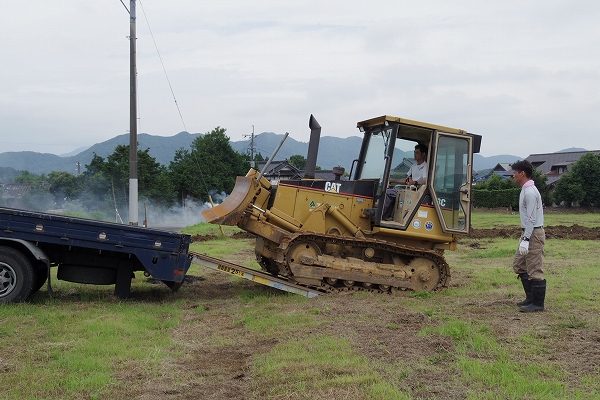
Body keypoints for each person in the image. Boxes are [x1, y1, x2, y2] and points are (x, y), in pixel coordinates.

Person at [511, 160, 546, 312]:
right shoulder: (525, 190)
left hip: (533, 233)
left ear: (522, 173)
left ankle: (538, 304)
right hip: (527, 232)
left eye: (515, 172)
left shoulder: (530, 192)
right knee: (519, 265)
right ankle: (530, 298)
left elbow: (531, 218)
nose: (513, 175)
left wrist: (526, 238)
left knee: (534, 269)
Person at [382, 144, 428, 220]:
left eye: (417, 153)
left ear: (423, 154)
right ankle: (389, 215)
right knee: (392, 190)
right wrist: (392, 180)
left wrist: (414, 182)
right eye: (414, 152)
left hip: (415, 190)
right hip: (409, 188)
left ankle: (382, 213)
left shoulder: (425, 166)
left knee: (389, 192)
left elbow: (425, 181)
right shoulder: (414, 166)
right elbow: (406, 180)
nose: (415, 154)